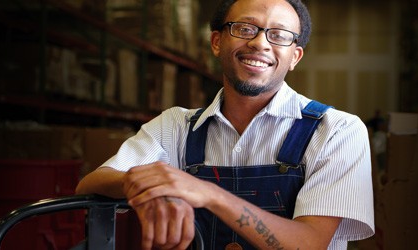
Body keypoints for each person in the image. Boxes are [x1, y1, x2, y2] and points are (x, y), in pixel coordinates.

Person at [76, 0, 375, 249]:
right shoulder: (177, 126)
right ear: (217, 42)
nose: (260, 43)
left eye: (280, 35)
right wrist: (154, 186)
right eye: (245, 28)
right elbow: (91, 183)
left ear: (295, 56)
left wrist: (209, 193)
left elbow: (309, 244)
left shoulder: (336, 130)